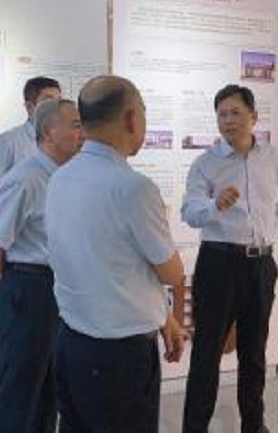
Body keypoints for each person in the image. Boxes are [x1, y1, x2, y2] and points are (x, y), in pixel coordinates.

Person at [46, 75, 186, 433]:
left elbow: (108, 266)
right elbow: (171, 272)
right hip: (119, 358)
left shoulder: (61, 177)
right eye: (143, 111)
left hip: (71, 343)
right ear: (131, 119)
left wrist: (163, 317)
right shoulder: (134, 188)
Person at [181, 84, 278, 433]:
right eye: (222, 114)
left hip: (260, 265)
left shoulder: (272, 156)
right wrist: (214, 205)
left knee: (254, 352)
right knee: (206, 353)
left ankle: (254, 424)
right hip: (218, 264)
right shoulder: (206, 163)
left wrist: (274, 219)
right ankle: (194, 428)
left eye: (236, 113)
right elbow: (189, 212)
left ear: (254, 117)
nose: (228, 120)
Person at [0, 98, 84, 433]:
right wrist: (18, 278)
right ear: (49, 132)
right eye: (76, 125)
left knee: (49, 388)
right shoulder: (25, 178)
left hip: (57, 289)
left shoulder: (66, 177)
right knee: (19, 388)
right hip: (29, 288)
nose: (83, 133)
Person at [0, 76, 61, 201]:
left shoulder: (65, 140)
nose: (56, 108)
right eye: (49, 102)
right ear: (29, 107)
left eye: (59, 101)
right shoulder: (7, 141)